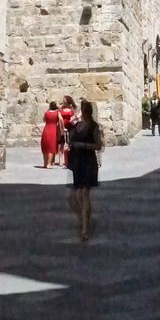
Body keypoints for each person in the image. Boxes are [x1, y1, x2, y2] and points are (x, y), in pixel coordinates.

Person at [67, 99, 103, 241]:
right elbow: (71, 140)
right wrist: (71, 143)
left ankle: (84, 229)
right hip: (77, 162)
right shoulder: (77, 126)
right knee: (74, 197)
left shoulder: (94, 127)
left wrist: (83, 145)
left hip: (88, 162)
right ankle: (85, 218)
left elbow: (99, 146)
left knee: (84, 194)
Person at [40, 101, 62, 168]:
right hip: (53, 130)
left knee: (45, 146)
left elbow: (44, 120)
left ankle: (45, 163)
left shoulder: (46, 113)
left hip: (46, 129)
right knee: (51, 147)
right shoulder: (57, 113)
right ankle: (49, 164)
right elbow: (61, 119)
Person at [59, 95, 77, 166]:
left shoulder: (72, 108)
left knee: (70, 143)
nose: (63, 100)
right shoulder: (61, 108)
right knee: (61, 143)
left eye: (65, 99)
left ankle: (70, 159)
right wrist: (62, 127)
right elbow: (59, 117)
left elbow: (74, 116)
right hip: (62, 126)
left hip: (70, 126)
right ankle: (61, 160)